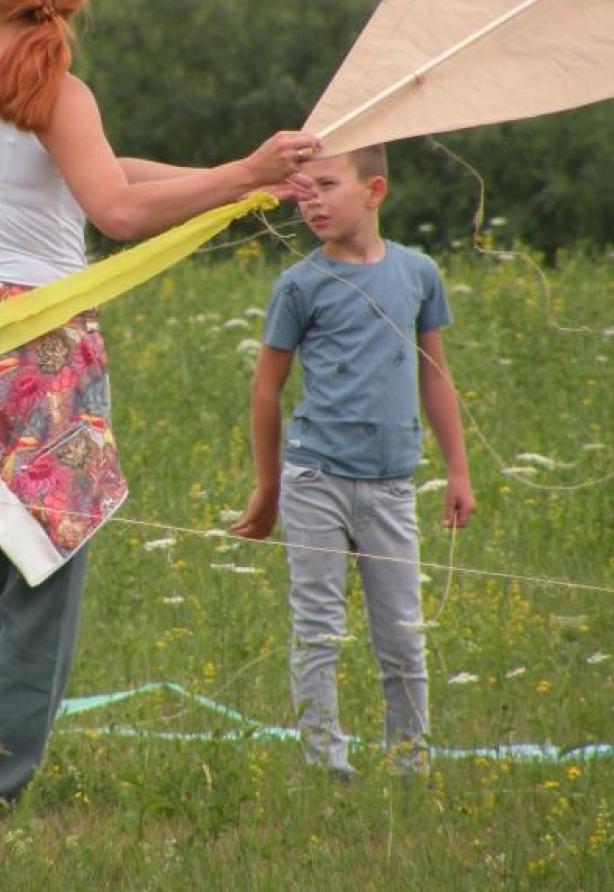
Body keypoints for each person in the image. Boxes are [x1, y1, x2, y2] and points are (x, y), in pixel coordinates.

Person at [0, 0, 321, 806]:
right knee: (43, 571)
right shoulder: (57, 90)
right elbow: (116, 213)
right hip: (40, 355)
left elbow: (101, 173)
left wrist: (238, 178)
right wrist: (244, 166)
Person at [231, 144, 475, 780]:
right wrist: (268, 488)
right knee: (318, 629)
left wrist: (458, 470)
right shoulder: (300, 283)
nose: (310, 200)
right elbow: (266, 388)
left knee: (403, 636)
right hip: (315, 480)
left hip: (393, 484)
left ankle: (410, 763)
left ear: (375, 191)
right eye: (302, 190)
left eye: (326, 185)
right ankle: (324, 766)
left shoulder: (418, 273)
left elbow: (436, 375)